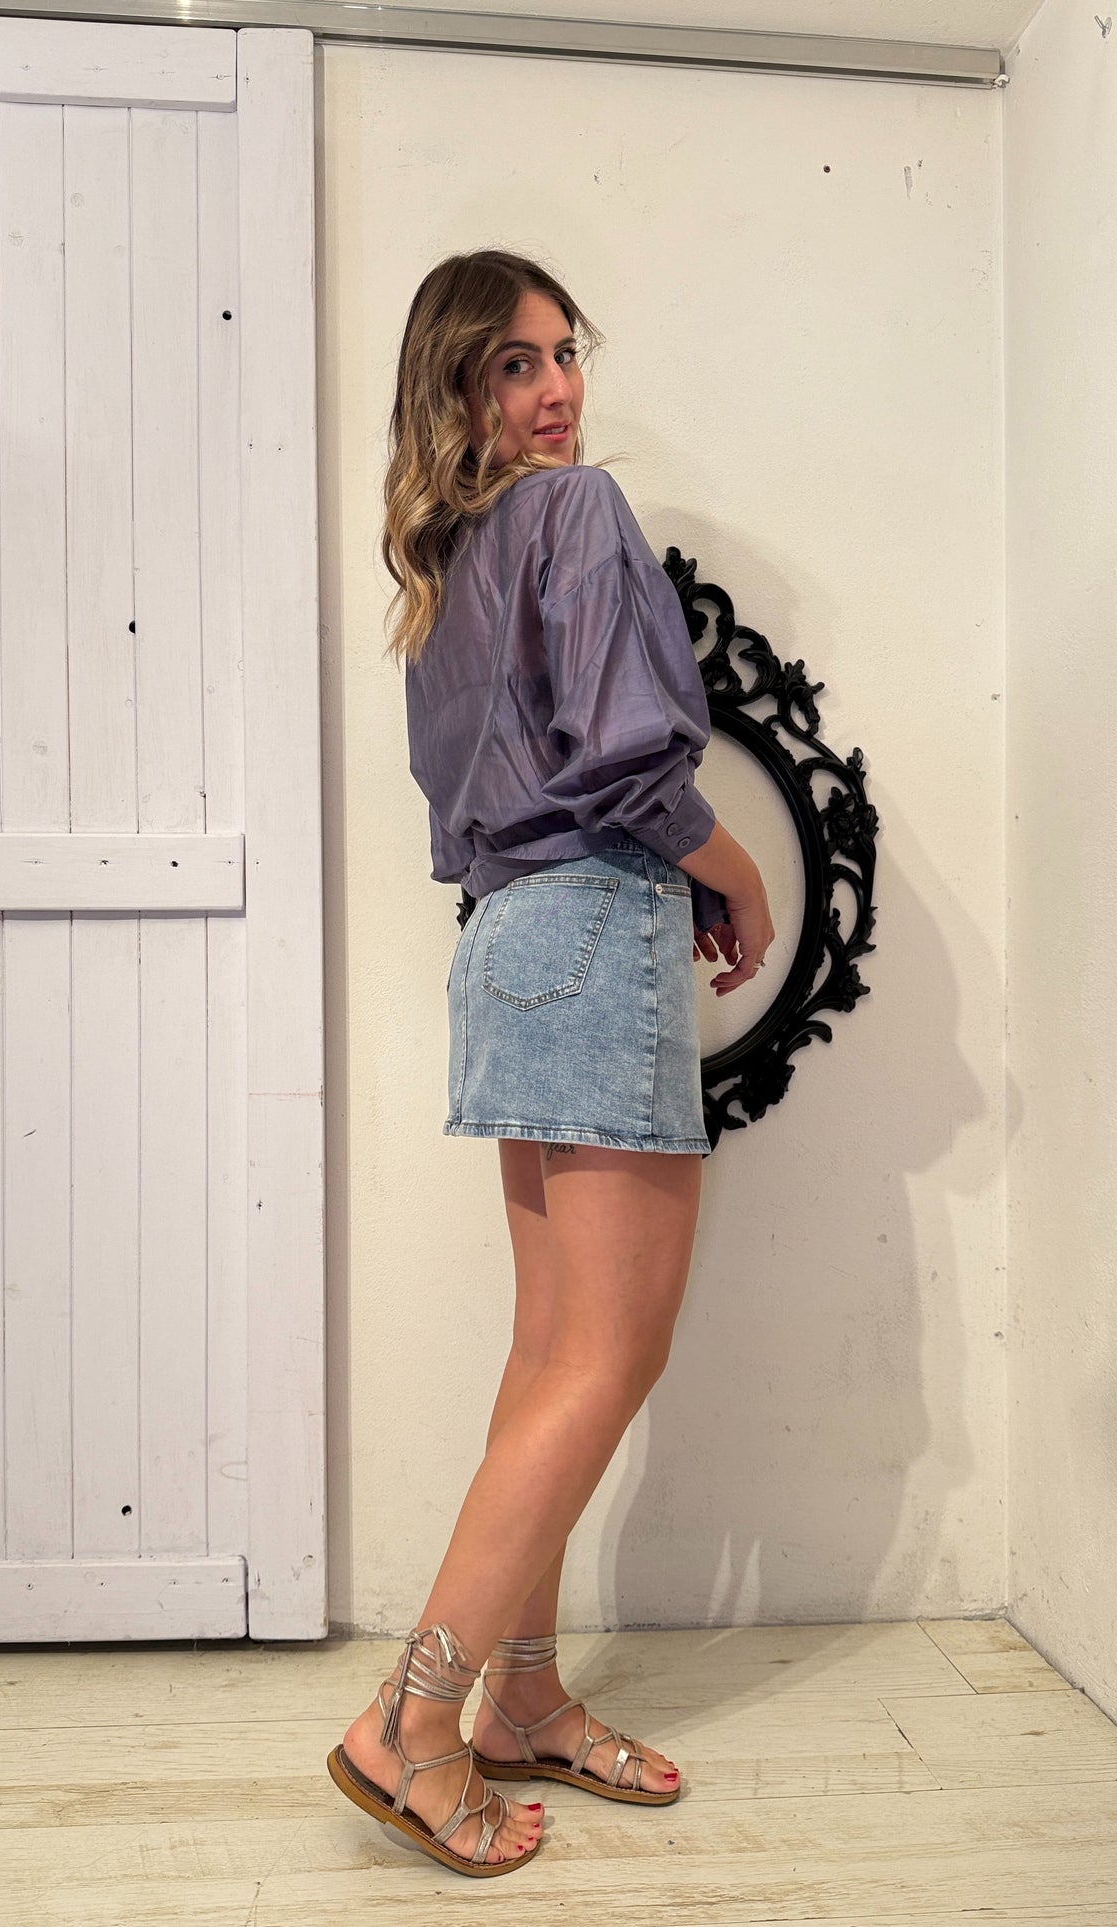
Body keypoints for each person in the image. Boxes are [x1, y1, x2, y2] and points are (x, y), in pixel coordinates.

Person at [326, 249, 776, 1878]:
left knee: (547, 1353)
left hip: (507, 944)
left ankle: (519, 1694)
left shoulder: (444, 575)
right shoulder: (572, 514)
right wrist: (736, 871)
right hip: (588, 927)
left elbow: (495, 797)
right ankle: (414, 1718)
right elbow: (629, 764)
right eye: (512, 364)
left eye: (563, 354)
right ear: (453, 391)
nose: (556, 390)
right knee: (609, 1356)